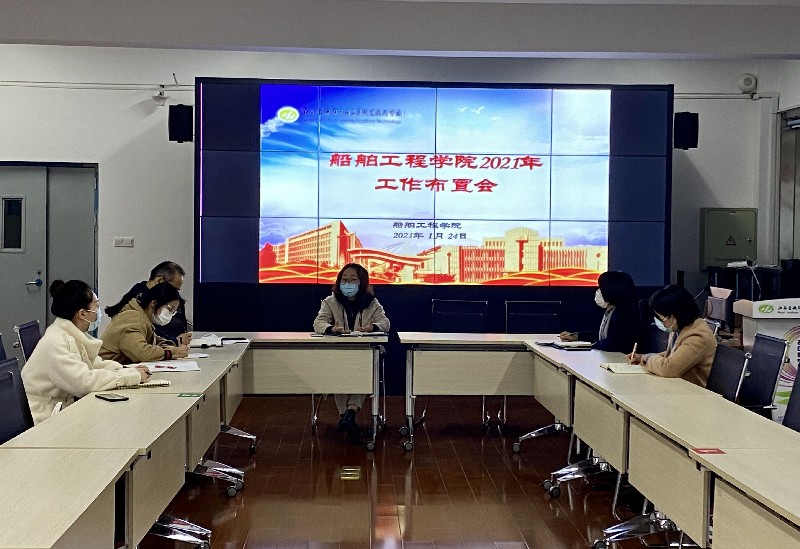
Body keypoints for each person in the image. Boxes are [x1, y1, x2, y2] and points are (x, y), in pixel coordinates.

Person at [21, 280, 149, 424]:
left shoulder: (70, 333)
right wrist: (127, 377)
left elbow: (93, 365)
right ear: (82, 313)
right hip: (43, 416)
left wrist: (128, 370)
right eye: (96, 306)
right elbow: (84, 382)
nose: (98, 312)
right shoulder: (56, 341)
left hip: (61, 407)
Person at [313, 263, 390, 442]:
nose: (347, 283)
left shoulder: (372, 303)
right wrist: (332, 329)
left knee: (366, 372)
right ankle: (348, 414)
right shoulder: (330, 301)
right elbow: (318, 323)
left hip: (363, 354)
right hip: (338, 354)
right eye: (344, 279)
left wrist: (372, 327)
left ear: (361, 283)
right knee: (339, 373)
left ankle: (348, 414)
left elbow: (385, 323)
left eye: (352, 280)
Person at [627, 284, 716, 387]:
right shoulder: (681, 328)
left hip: (694, 392)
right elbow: (673, 355)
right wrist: (642, 357)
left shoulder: (697, 337)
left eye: (661, 319)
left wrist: (648, 358)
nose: (660, 322)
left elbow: (668, 368)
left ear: (673, 318)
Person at [99, 281, 189, 364]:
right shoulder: (134, 318)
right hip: (108, 370)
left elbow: (153, 340)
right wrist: (170, 352)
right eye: (170, 309)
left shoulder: (143, 317)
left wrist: (171, 347)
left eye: (173, 311)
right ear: (153, 303)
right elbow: (141, 352)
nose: (171, 314)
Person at [559, 271, 639, 352]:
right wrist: (577, 336)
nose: (598, 291)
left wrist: (586, 346)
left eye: (601, 288)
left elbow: (613, 342)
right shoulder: (612, 310)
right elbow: (603, 335)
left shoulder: (625, 313)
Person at [125, 261, 191, 345]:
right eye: (173, 289)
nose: (175, 294)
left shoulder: (173, 299)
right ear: (159, 281)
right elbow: (147, 335)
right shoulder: (137, 299)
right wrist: (174, 341)